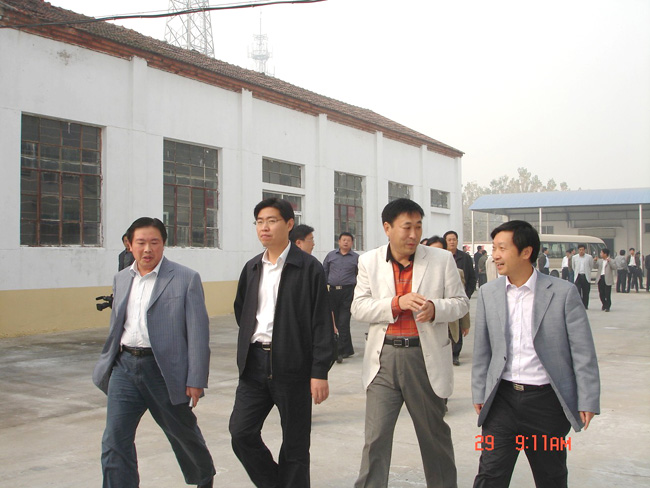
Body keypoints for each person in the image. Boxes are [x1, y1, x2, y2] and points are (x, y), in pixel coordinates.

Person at [472, 220, 600, 488]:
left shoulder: (563, 293)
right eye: (494, 248)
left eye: (502, 248)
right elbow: (483, 350)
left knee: (551, 477)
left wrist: (587, 399)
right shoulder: (488, 293)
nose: (495, 255)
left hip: (546, 405)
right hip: (501, 401)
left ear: (526, 252)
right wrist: (479, 392)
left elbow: (582, 351)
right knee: (490, 475)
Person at [352, 199, 469, 488]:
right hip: (383, 358)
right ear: (387, 228)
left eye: (418, 227)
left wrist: (436, 308)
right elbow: (359, 307)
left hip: (424, 358)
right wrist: (396, 303)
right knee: (376, 437)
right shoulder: (369, 261)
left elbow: (461, 303)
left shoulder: (441, 260)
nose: (413, 234)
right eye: (407, 227)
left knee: (433, 436)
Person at [92, 217, 215, 488]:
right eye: (141, 242)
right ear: (129, 245)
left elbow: (198, 333)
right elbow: (117, 325)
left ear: (163, 244)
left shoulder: (185, 278)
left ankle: (204, 478)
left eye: (154, 242)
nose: (147, 249)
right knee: (114, 439)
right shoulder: (122, 278)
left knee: (183, 433)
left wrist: (195, 378)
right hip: (124, 367)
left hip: (164, 371)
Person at [230, 198, 333, 488]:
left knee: (295, 445)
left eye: (272, 221)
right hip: (254, 364)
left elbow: (321, 322)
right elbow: (241, 310)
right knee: (241, 433)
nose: (264, 227)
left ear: (289, 224)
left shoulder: (309, 268)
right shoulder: (252, 267)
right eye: (260, 221)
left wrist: (319, 371)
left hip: (293, 365)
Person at [323, 232, 359, 362]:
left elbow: (360, 275)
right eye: (343, 240)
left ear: (352, 243)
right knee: (334, 321)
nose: (346, 242)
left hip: (348, 292)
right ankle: (346, 348)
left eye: (348, 240)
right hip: (332, 292)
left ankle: (340, 351)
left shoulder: (356, 258)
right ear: (339, 241)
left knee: (343, 322)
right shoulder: (331, 256)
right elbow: (324, 271)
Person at [444, 230, 476, 365]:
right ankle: (447, 353)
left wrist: (466, 295)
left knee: (458, 325)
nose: (452, 242)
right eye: (449, 240)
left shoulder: (465, 258)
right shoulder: (442, 256)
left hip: (460, 296)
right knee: (447, 327)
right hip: (445, 298)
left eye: (454, 239)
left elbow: (472, 278)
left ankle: (455, 354)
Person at [572, 244, 594, 309]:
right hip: (578, 276)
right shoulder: (574, 257)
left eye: (582, 250)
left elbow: (591, 266)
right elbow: (573, 267)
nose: (581, 251)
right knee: (578, 291)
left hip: (585, 276)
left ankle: (585, 305)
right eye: (580, 250)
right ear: (578, 250)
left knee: (586, 292)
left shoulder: (589, 257)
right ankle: (579, 305)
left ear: (585, 250)